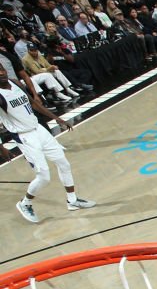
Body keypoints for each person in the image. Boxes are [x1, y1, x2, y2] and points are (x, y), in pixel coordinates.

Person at [0, 65, 95, 223]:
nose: (1, 73)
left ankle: (72, 200)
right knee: (44, 176)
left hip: (38, 129)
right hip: (24, 137)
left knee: (63, 163)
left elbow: (34, 104)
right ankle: (25, 203)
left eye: (1, 69)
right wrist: (2, 148)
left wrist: (57, 118)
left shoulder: (15, 83)